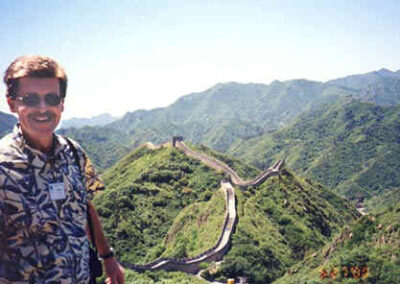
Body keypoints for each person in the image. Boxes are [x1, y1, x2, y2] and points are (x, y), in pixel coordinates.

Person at [0, 55, 125, 283]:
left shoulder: (74, 152)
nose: (42, 108)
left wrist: (108, 257)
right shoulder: (3, 166)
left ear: (62, 103)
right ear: (11, 103)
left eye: (51, 98)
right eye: (29, 99)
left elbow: (85, 207)